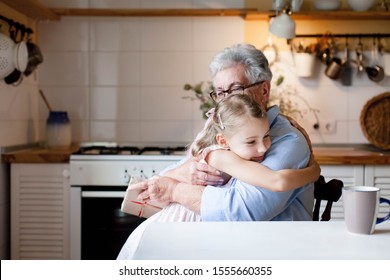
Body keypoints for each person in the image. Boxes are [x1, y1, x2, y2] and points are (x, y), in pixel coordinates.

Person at [117, 93, 319, 259]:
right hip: (177, 231)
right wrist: (313, 171)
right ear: (223, 141)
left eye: (266, 136)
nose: (262, 148)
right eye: (251, 142)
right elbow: (277, 181)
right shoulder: (221, 157)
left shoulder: (228, 149)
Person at [136, 43, 317, 221]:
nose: (227, 100)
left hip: (265, 247)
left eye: (236, 89)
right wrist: (187, 172)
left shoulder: (288, 139)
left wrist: (175, 190)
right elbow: (159, 182)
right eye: (221, 92)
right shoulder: (219, 131)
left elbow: (239, 213)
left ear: (264, 90)